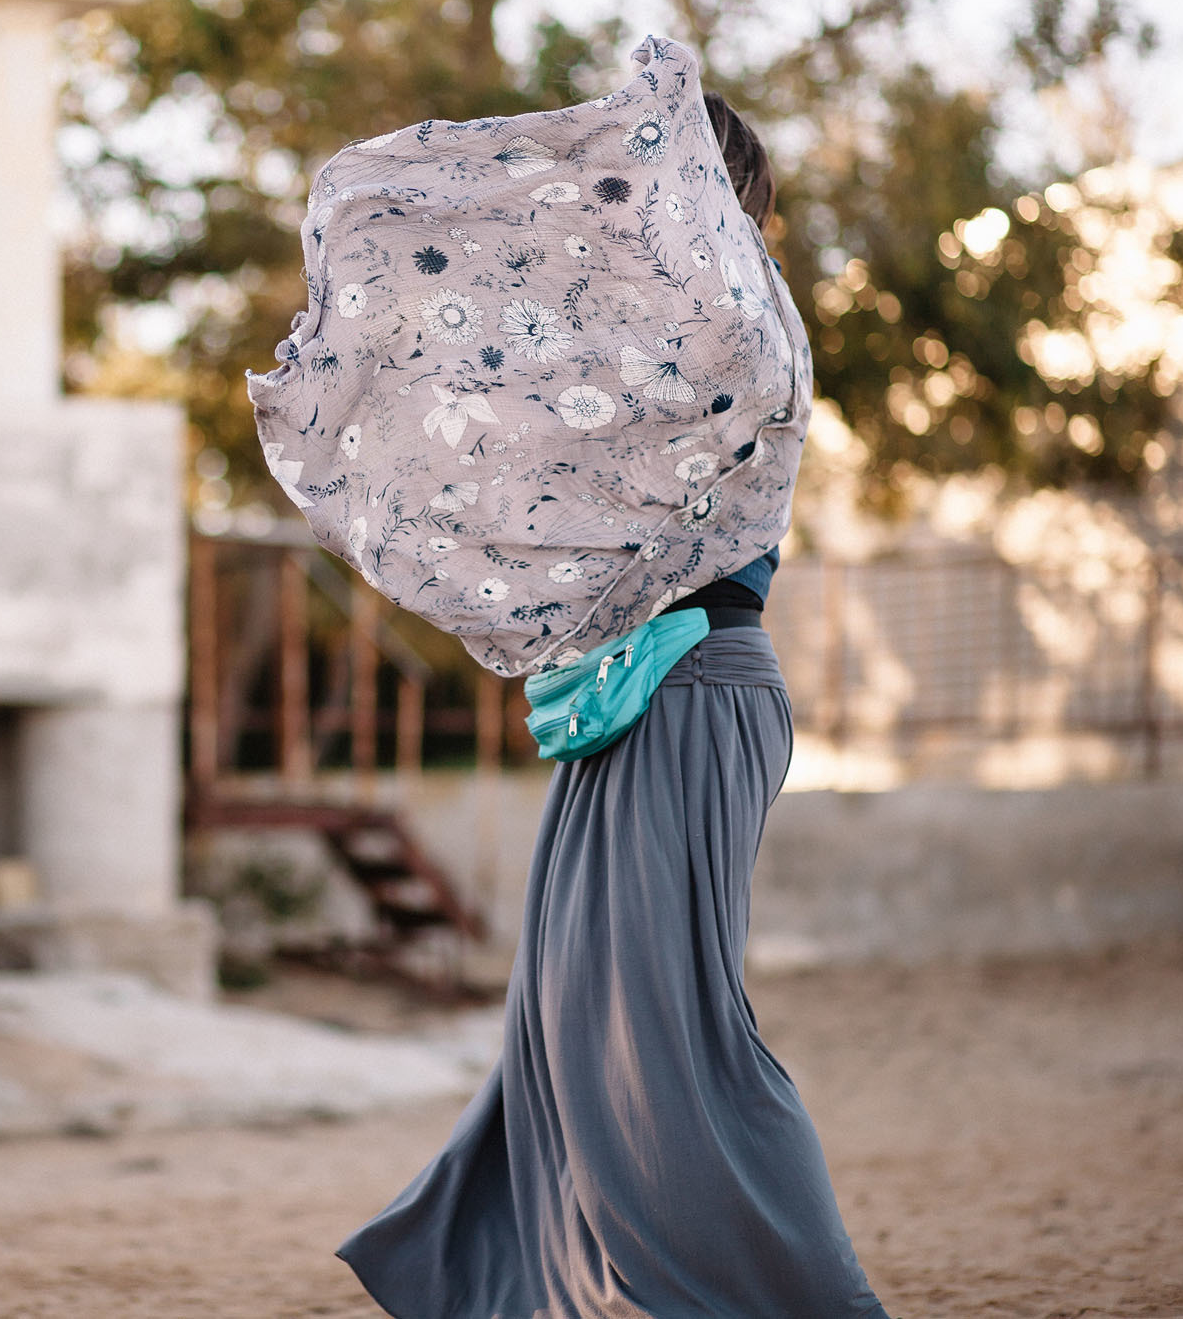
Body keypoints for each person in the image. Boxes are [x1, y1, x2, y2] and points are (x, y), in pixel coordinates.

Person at [330, 94, 891, 1318]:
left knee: (668, 1042)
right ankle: (561, 1289)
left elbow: (608, 484)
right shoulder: (692, 322)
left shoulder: (739, 324)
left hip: (692, 691)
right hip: (643, 699)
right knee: (575, 1025)